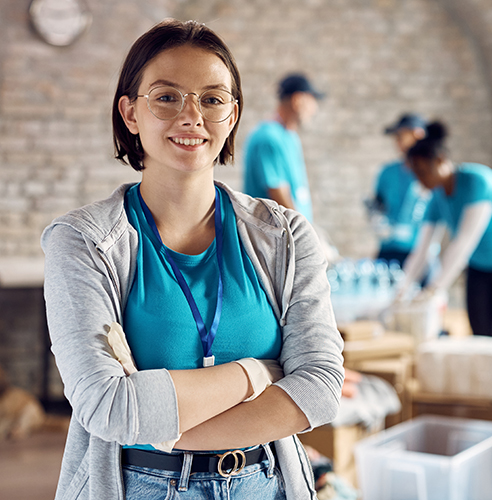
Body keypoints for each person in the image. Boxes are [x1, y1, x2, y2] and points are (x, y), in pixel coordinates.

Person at [41, 19, 344, 500]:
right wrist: (259, 373)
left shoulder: (284, 235)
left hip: (265, 482)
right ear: (130, 113)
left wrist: (171, 431)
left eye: (212, 98)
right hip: (138, 485)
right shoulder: (81, 242)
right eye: (166, 97)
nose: (191, 116)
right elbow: (109, 408)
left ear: (233, 115)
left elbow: (322, 386)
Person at [396, 121, 492, 439]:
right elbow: (422, 251)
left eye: (422, 172)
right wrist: (399, 293)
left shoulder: (478, 181)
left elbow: (464, 243)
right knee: (480, 344)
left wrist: (433, 290)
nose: (419, 180)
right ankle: (487, 423)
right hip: (481, 270)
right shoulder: (437, 197)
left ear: (440, 162)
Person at [243, 73, 323, 222]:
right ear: (297, 100)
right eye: (312, 101)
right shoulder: (268, 138)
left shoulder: (290, 137)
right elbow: (279, 195)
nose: (314, 109)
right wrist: (303, 235)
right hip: (275, 239)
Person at [370, 113, 431, 267]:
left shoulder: (431, 174)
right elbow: (377, 204)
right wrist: (377, 220)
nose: (398, 142)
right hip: (389, 250)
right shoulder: (387, 172)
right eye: (396, 137)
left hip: (422, 251)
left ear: (418, 135)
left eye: (402, 136)